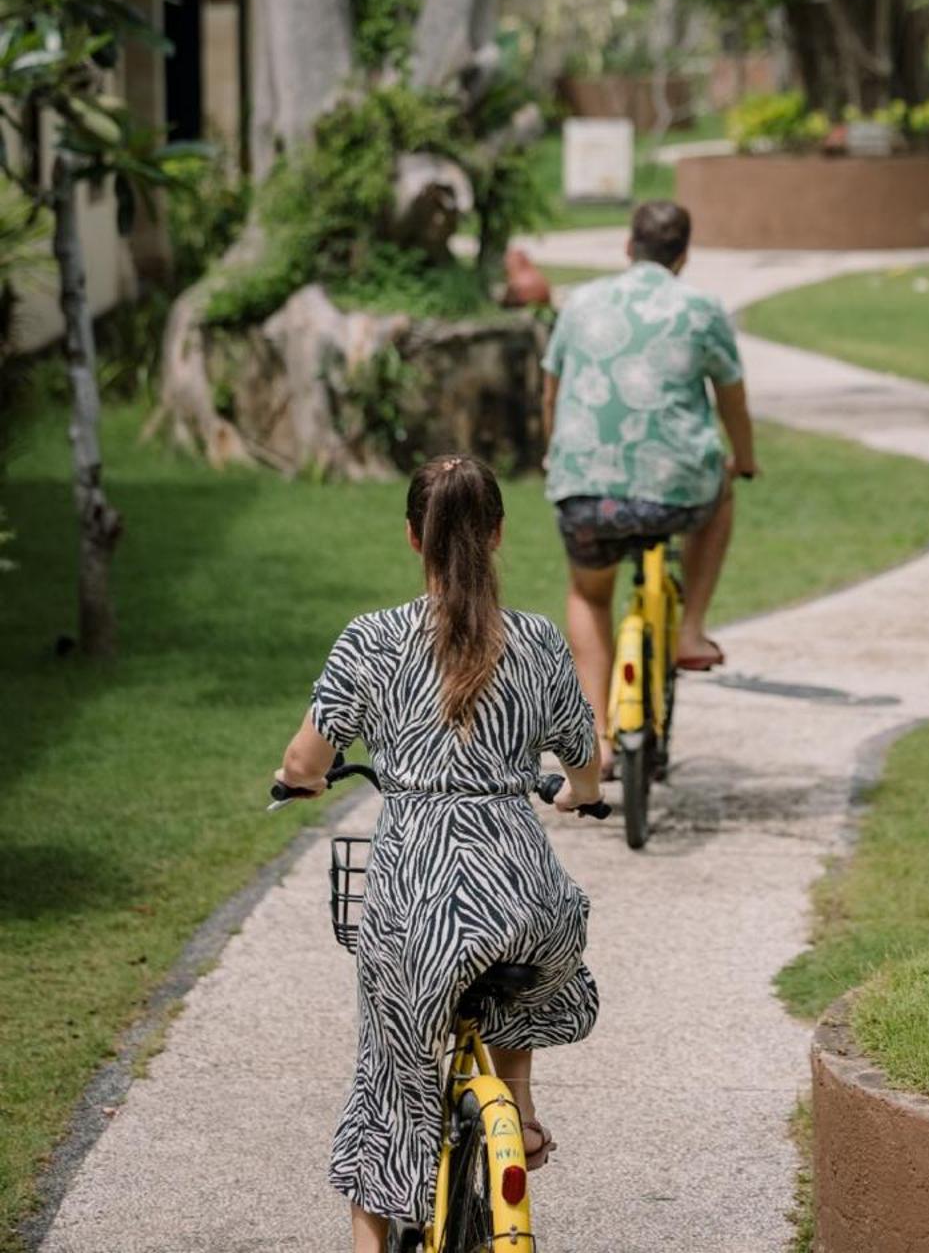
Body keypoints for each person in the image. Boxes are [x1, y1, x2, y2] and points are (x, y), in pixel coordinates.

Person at [275, 453, 604, 1253]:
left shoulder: (372, 640)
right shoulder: (535, 640)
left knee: (389, 1088)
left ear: (412, 538)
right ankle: (517, 1115)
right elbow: (585, 759)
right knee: (525, 973)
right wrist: (579, 794)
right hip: (526, 898)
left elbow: (304, 761)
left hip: (415, 902)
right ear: (495, 536)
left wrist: (297, 783)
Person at [541, 199, 758, 770]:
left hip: (583, 491)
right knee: (723, 491)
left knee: (590, 593)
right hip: (677, 493)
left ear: (627, 247)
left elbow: (552, 390)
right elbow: (731, 397)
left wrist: (554, 454)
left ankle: (598, 740)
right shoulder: (701, 308)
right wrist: (745, 458)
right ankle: (689, 631)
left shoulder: (580, 302)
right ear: (683, 255)